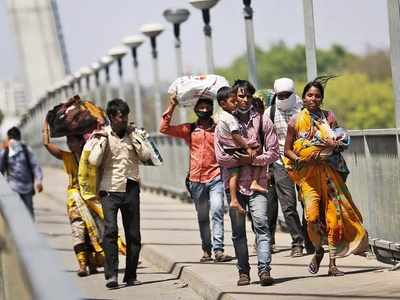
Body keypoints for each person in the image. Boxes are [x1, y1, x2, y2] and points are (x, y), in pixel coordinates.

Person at [284, 77, 368, 276]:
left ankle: (332, 264)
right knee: (312, 216)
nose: (313, 98)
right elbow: (287, 150)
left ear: (322, 99)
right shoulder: (295, 121)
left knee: (334, 216)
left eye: (317, 96)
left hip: (329, 174)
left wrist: (334, 145)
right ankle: (318, 249)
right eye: (309, 95)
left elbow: (341, 141)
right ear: (303, 98)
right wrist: (301, 159)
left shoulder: (328, 117)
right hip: (308, 177)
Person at [215, 79, 280, 286]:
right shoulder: (224, 123)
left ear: (252, 97)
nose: (243, 100)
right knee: (238, 232)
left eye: (247, 96)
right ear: (233, 98)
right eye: (240, 96)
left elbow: (273, 153)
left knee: (261, 226)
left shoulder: (262, 122)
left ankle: (264, 270)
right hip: (233, 186)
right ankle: (243, 272)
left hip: (258, 183)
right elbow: (220, 157)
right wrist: (243, 158)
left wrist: (254, 159)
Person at [160, 93, 234, 263]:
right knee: (202, 217)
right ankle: (206, 250)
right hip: (195, 180)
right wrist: (172, 106)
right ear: (195, 109)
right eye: (200, 107)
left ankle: (219, 250)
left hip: (215, 177)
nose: (204, 109)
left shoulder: (218, 128)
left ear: (211, 109)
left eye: (207, 107)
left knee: (217, 210)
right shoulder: (189, 129)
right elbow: (164, 128)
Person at [88, 98, 150, 288]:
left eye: (125, 117)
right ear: (111, 118)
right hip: (109, 190)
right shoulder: (101, 135)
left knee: (133, 235)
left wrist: (135, 138)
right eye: (118, 118)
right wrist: (102, 141)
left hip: (131, 188)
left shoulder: (135, 134)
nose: (122, 121)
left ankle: (130, 275)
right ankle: (111, 275)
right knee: (110, 231)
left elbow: (147, 156)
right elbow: (93, 161)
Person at [42, 118, 108, 276]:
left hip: (92, 200)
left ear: (81, 142)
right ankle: (82, 265)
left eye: (72, 141)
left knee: (93, 231)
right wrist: (46, 126)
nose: (69, 144)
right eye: (68, 141)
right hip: (75, 201)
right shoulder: (67, 157)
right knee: (78, 231)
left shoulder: (92, 156)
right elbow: (47, 145)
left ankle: (92, 263)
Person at [264, 78, 307, 257]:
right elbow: (265, 141)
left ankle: (311, 239)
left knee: (308, 203)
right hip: (281, 164)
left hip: (305, 163)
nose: (283, 98)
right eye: (279, 95)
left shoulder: (303, 109)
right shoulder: (270, 112)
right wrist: (267, 168)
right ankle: (297, 242)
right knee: (288, 206)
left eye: (286, 95)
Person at [216, 86, 266, 214]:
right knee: (259, 155)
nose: (238, 103)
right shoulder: (230, 118)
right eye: (234, 101)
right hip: (234, 150)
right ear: (223, 104)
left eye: (248, 97)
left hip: (230, 150)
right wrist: (247, 147)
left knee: (234, 175)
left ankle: (234, 199)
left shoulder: (221, 116)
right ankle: (239, 194)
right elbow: (235, 135)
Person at [0, 126, 43, 218]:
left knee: (29, 214)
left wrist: (39, 180)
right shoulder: (5, 152)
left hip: (27, 188)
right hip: (13, 188)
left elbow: (35, 166)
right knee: (14, 214)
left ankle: (28, 231)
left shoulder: (26, 151)